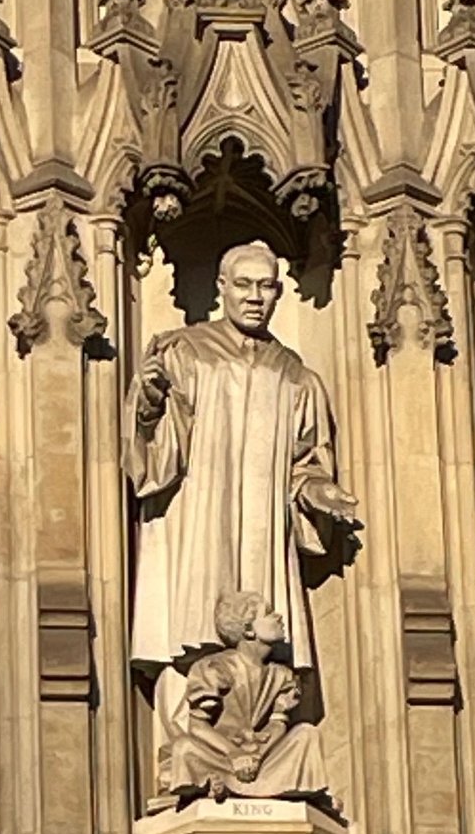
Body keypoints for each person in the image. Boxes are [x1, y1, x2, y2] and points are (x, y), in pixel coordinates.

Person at [123, 240, 357, 714]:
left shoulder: (297, 376)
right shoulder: (185, 352)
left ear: (278, 293)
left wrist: (316, 491)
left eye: (266, 286)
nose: (255, 297)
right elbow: (153, 455)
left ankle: (259, 706)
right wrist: (149, 403)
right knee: (190, 629)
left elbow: (306, 462)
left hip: (262, 532)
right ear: (222, 287)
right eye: (244, 285)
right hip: (197, 523)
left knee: (264, 636)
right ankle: (193, 720)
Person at [162, 591, 325, 799]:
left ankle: (239, 785)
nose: (279, 617)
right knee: (184, 748)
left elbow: (278, 723)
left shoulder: (282, 675)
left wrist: (257, 756)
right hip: (221, 756)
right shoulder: (215, 668)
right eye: (268, 613)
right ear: (248, 629)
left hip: (263, 757)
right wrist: (234, 753)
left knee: (307, 734)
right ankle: (215, 782)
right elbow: (197, 726)